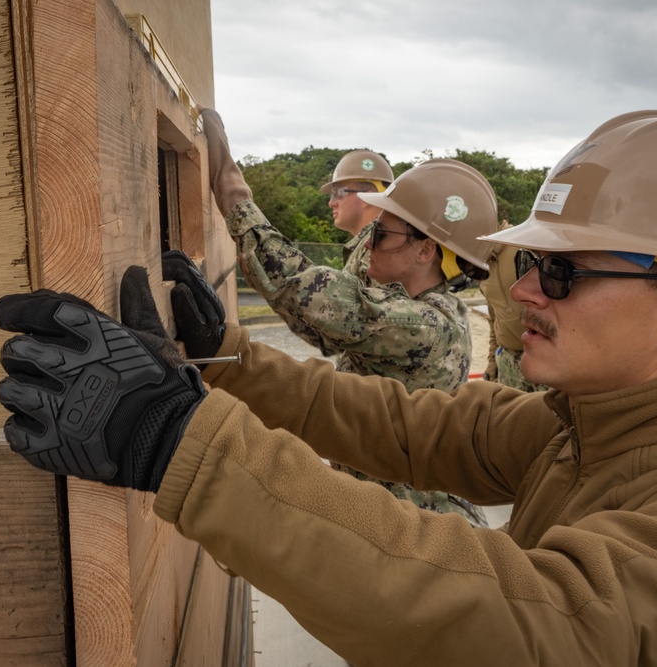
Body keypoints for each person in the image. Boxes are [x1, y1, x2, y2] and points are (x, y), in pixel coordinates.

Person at [0, 110, 657, 666]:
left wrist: (173, 440)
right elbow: (406, 425)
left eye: (557, 271)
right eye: (526, 264)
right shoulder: (580, 430)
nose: (518, 291)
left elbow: (520, 620)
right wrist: (226, 361)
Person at [202, 108, 497, 526]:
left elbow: (307, 291)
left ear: (425, 251)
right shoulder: (413, 308)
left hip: (407, 532)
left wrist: (235, 195)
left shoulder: (424, 326)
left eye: (381, 233)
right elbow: (327, 326)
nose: (368, 242)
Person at [478, 230, 548, 392]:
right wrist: (492, 361)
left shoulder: (526, 245)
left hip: (545, 360)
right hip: (508, 363)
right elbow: (494, 318)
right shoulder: (480, 259)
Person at [319, 149, 394, 283]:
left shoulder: (380, 246)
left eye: (339, 192)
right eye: (332, 194)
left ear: (367, 196)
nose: (331, 203)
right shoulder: (374, 241)